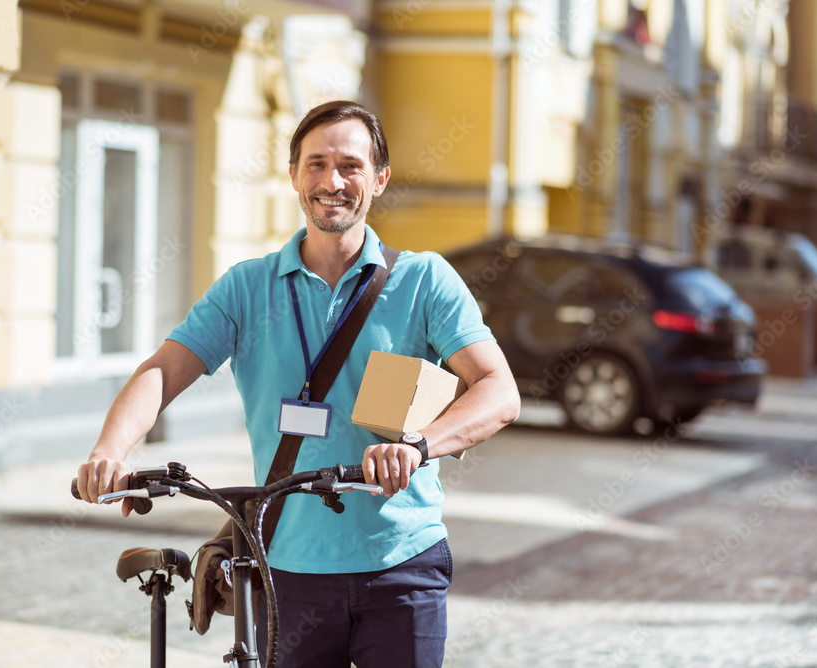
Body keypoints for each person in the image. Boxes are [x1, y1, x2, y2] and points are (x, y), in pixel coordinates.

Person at [76, 99, 520, 667]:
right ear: (292, 176)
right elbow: (163, 371)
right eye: (315, 164)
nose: (332, 181)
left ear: (379, 180)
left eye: (351, 166)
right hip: (289, 569)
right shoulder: (247, 287)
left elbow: (498, 390)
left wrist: (416, 446)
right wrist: (110, 452)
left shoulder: (422, 280)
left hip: (400, 563)